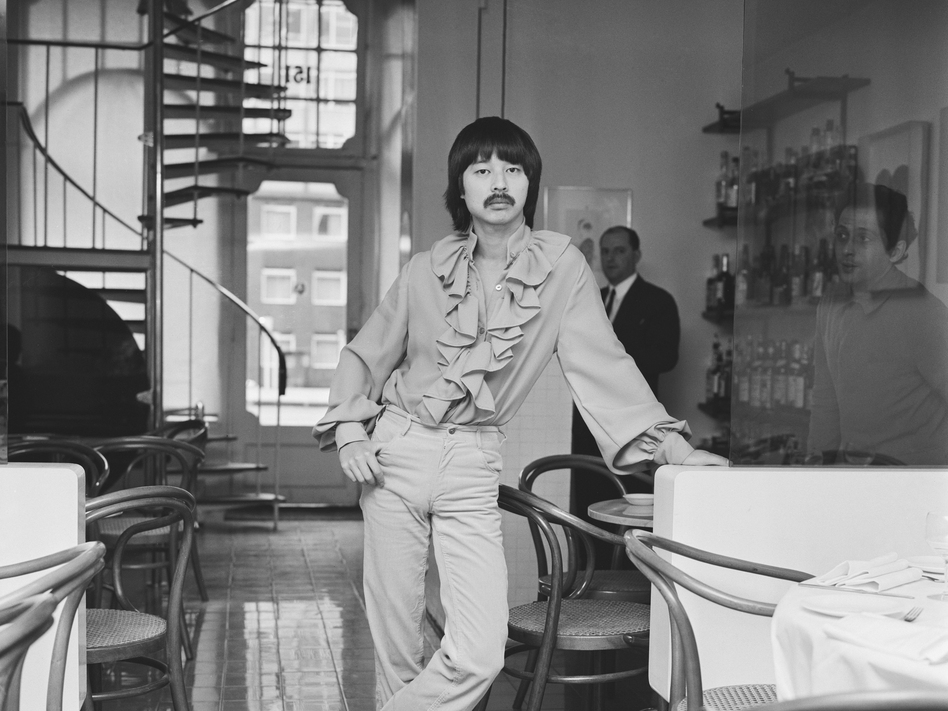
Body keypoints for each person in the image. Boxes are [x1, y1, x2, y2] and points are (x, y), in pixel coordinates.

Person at [312, 116, 726, 711]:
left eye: (513, 169)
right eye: (481, 170)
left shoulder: (560, 268)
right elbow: (366, 353)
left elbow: (603, 366)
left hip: (471, 464)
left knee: (478, 652)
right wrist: (350, 431)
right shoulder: (425, 268)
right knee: (400, 653)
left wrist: (673, 448)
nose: (498, 181)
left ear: (530, 183)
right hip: (392, 454)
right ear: (461, 189)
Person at [808, 182, 948, 465]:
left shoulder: (922, 312)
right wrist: (814, 469)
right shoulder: (830, 304)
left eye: (863, 239)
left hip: (914, 484)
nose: (847, 249)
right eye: (842, 235)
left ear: (895, 252)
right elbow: (826, 402)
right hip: (855, 479)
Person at [570, 225, 681, 565]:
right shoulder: (589, 299)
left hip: (636, 426)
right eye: (605, 251)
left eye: (619, 251)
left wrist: (614, 359)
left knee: (628, 509)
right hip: (587, 425)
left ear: (636, 255)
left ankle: (625, 580)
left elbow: (666, 357)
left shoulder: (658, 301)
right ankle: (589, 577)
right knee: (587, 504)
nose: (610, 258)